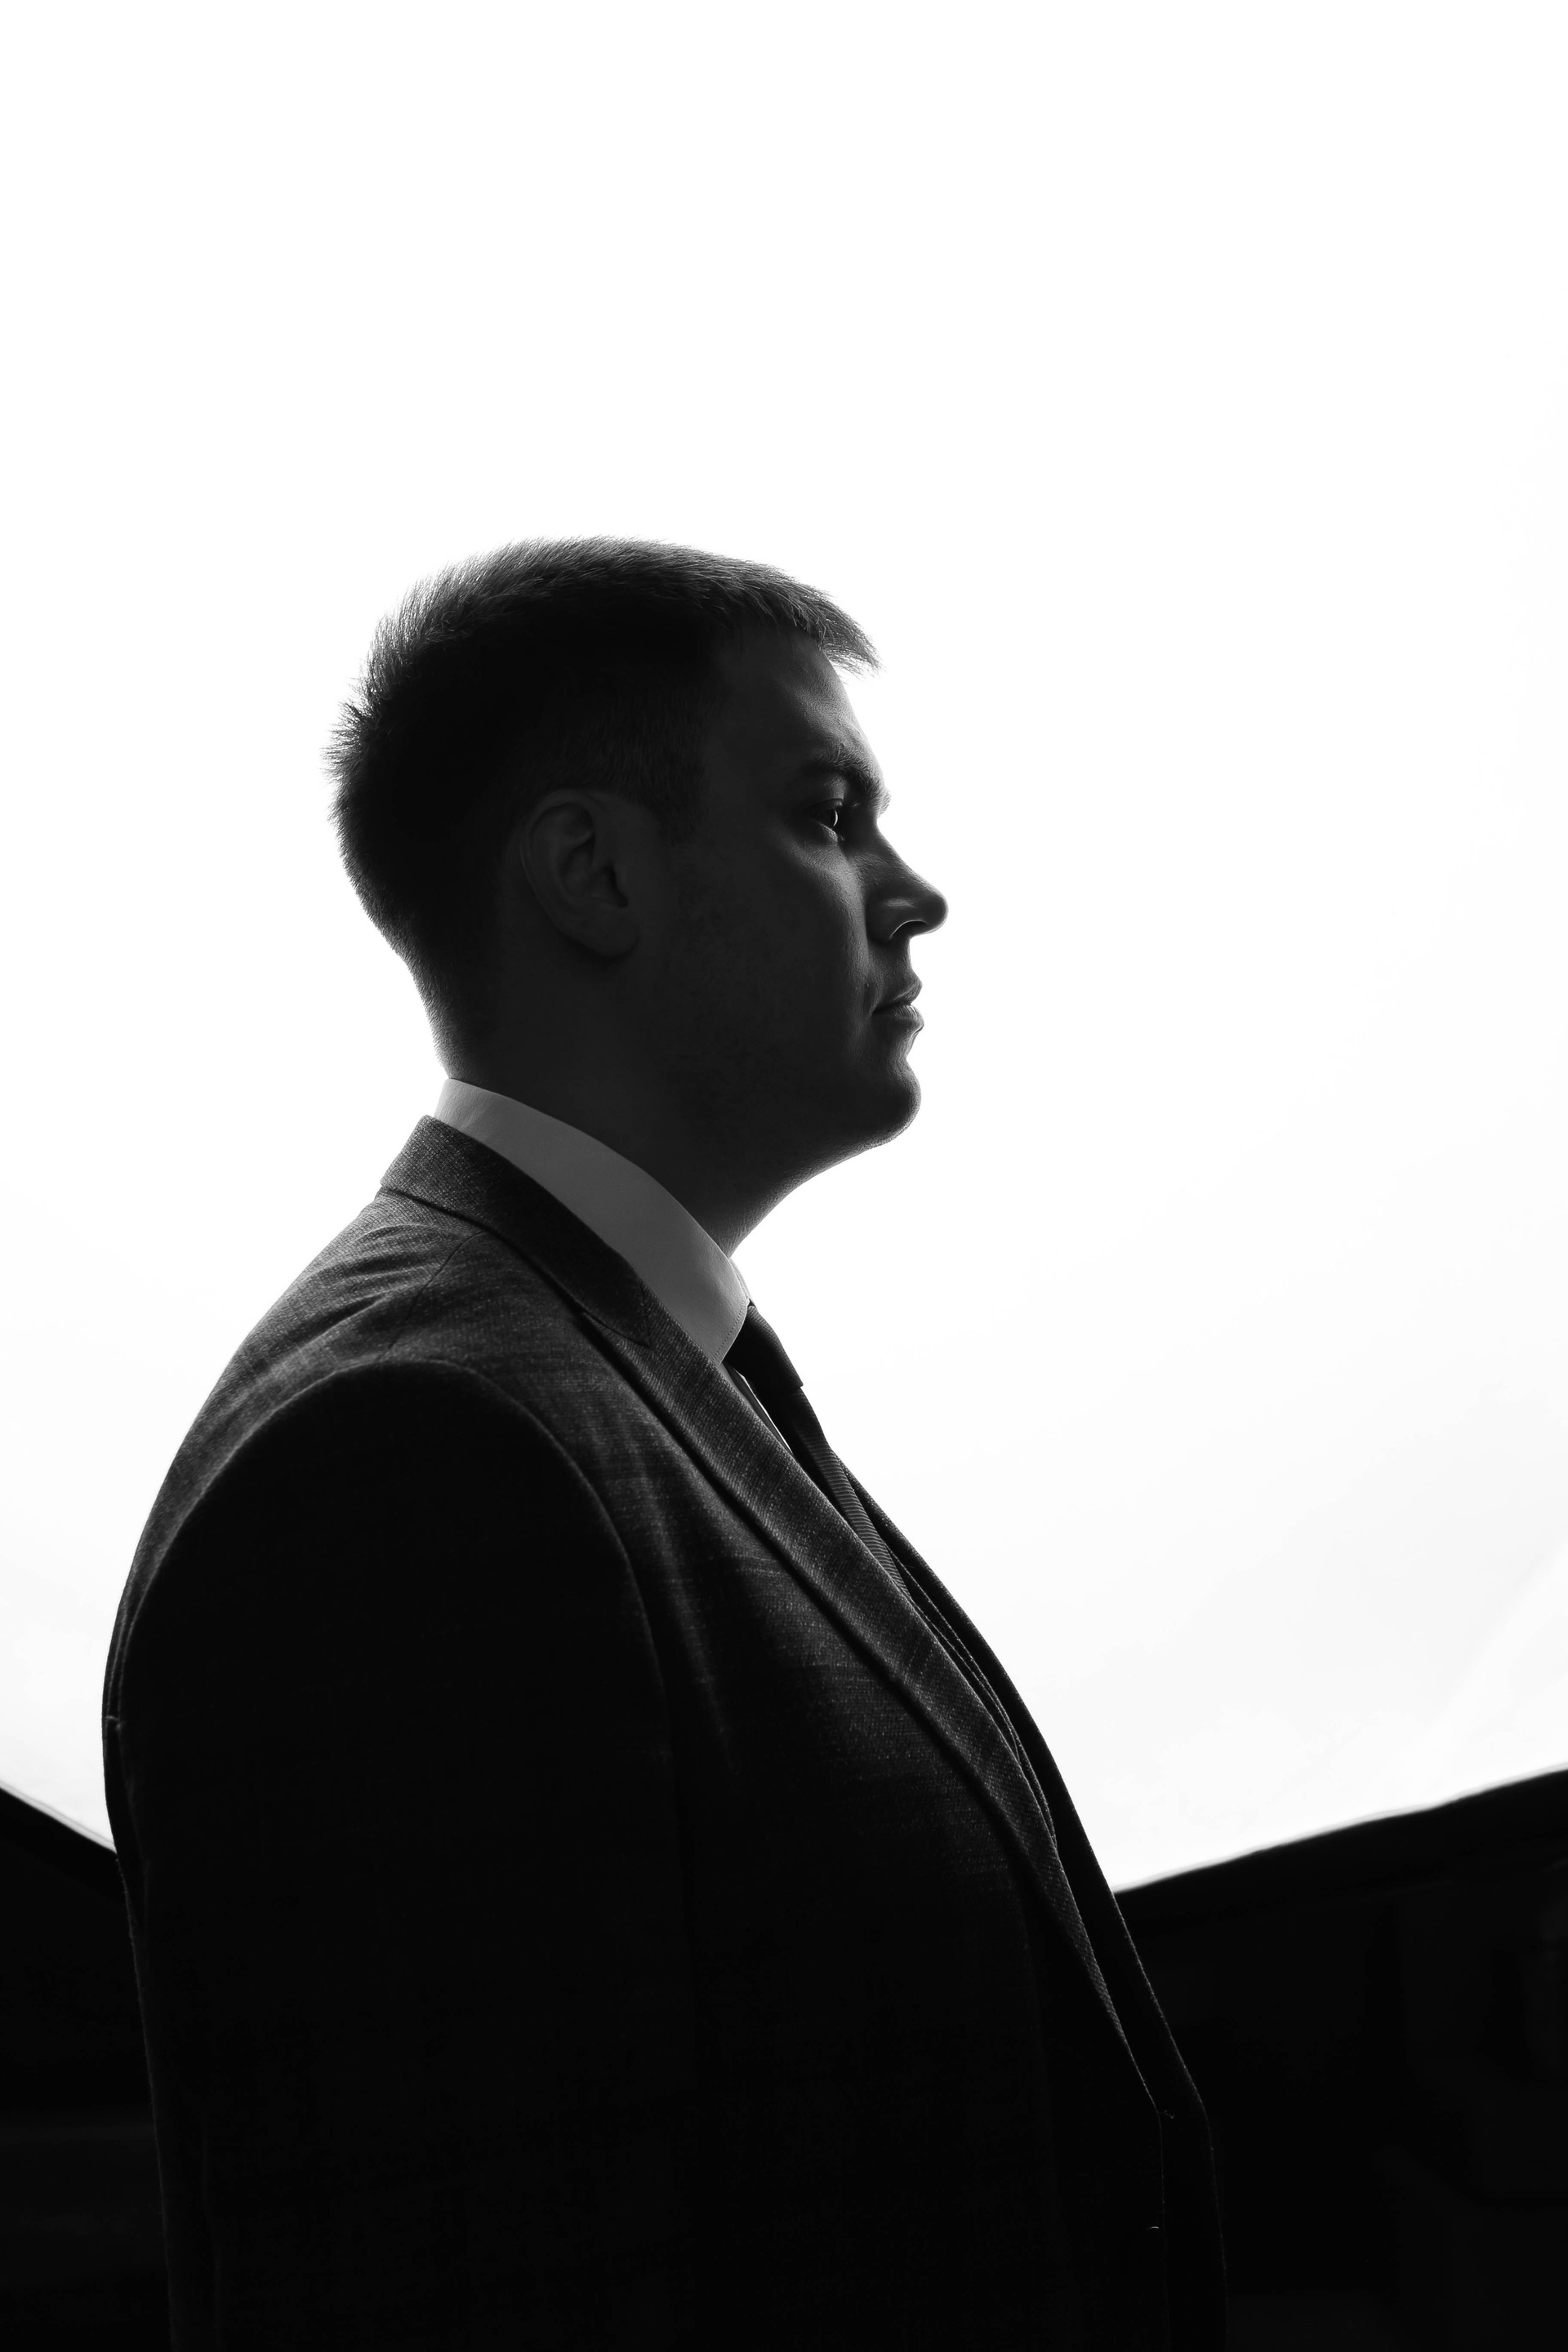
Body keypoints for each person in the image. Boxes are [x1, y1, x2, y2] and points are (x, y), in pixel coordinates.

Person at [104, 539, 1225, 2349]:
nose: (917, 895)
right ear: (594, 874)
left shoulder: (598, 1371)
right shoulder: (413, 1461)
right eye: (830, 814)